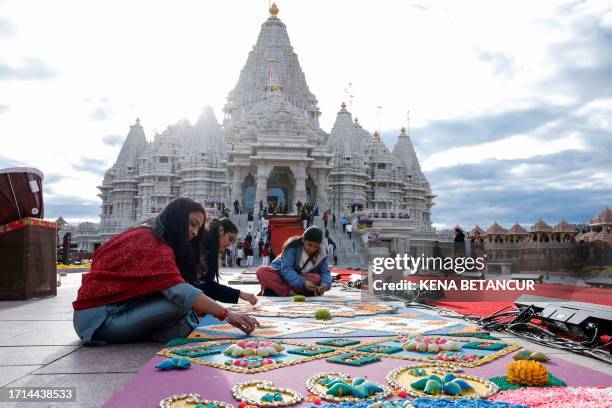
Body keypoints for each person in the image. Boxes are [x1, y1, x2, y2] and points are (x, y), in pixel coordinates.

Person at [72, 198, 259, 345]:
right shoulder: (152, 244)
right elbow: (178, 291)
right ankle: (157, 332)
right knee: (182, 305)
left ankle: (160, 331)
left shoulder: (146, 235)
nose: (194, 232)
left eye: (198, 228)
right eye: (192, 223)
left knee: (185, 318)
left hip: (111, 311)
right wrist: (226, 314)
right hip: (100, 321)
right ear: (176, 218)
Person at [193, 218, 257, 305]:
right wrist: (240, 294)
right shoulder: (204, 249)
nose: (229, 244)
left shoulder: (210, 248)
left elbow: (208, 284)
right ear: (221, 231)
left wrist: (240, 294)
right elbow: (205, 286)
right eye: (230, 239)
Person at [256, 226, 332, 297]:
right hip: (281, 275)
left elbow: (325, 272)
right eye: (309, 245)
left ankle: (279, 290)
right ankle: (290, 292)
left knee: (316, 278)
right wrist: (303, 283)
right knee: (261, 271)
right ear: (303, 240)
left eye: (316, 246)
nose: (312, 249)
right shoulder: (292, 247)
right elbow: (286, 270)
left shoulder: (322, 253)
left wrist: (325, 284)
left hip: (299, 280)